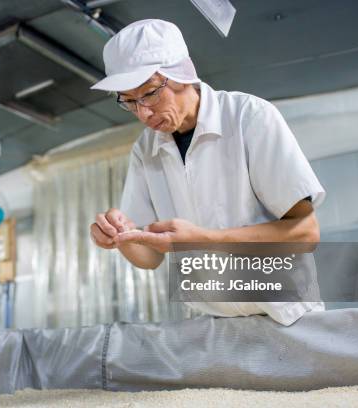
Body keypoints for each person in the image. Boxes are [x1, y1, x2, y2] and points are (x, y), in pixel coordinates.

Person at [89, 19, 326, 325]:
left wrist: (204, 239)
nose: (143, 113)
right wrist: (121, 237)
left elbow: (306, 234)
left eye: (149, 94)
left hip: (287, 317)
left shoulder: (248, 118)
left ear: (182, 74)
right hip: (213, 326)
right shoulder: (145, 149)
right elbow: (149, 258)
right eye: (129, 102)